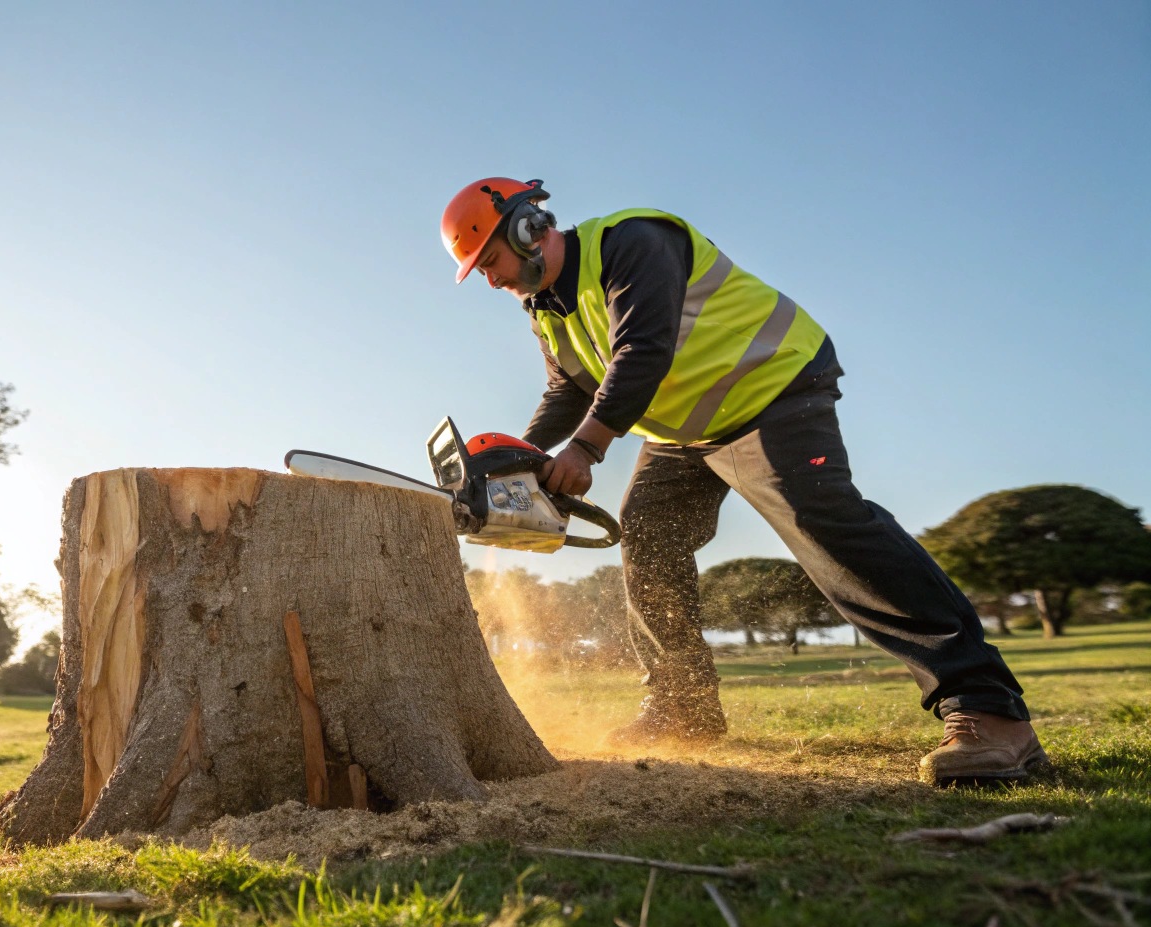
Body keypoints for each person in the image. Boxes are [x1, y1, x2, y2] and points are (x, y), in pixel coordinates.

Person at [440, 177, 1044, 785]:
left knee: (824, 523)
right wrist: (519, 456)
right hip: (684, 433)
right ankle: (683, 708)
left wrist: (587, 450)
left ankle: (988, 710)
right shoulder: (546, 311)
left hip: (772, 390)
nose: (490, 280)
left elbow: (643, 347)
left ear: (528, 229)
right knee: (648, 535)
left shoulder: (632, 242)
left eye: (489, 261)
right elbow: (569, 388)